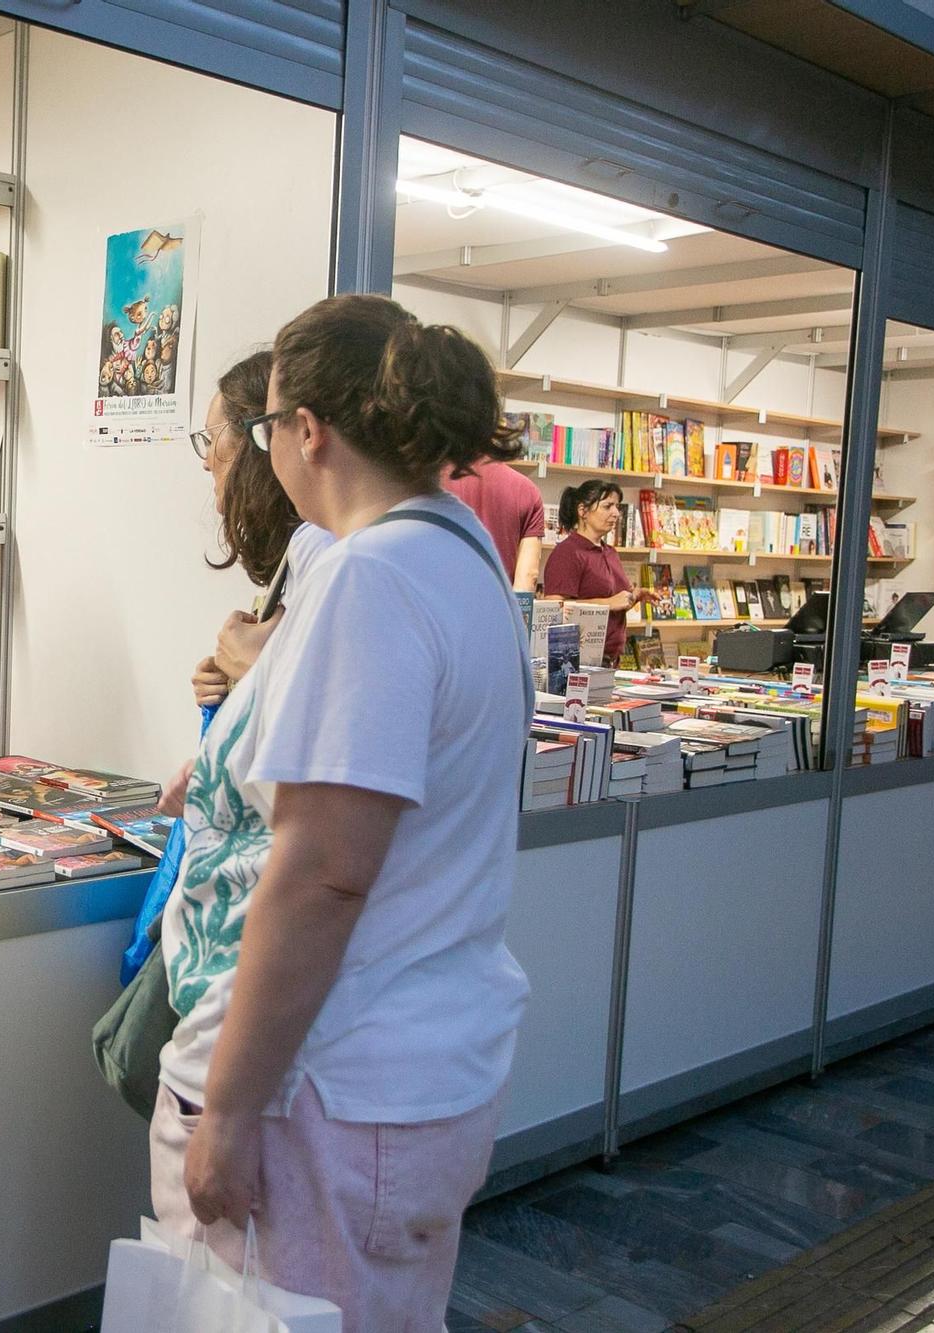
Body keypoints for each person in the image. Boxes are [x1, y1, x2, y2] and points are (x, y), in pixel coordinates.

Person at [152, 293, 532, 1329]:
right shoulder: (460, 557)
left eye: (267, 425)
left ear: (307, 430)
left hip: (321, 1083)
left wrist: (224, 1112)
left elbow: (321, 871)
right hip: (412, 1072)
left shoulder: (372, 577)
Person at [186, 350, 335, 710]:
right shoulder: (303, 547)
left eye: (211, 438)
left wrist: (254, 670)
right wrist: (230, 680)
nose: (206, 462)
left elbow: (339, 709)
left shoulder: (324, 546)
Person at [540, 479, 663, 665]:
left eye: (617, 506)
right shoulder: (568, 553)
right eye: (607, 506)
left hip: (610, 660)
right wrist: (607, 603)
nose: (615, 513)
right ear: (583, 511)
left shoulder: (610, 552)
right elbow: (553, 609)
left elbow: (617, 602)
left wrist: (635, 596)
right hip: (578, 662)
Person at [441, 455, 546, 591]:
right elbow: (527, 577)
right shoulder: (527, 491)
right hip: (498, 607)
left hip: (441, 605)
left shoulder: (434, 481)